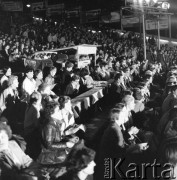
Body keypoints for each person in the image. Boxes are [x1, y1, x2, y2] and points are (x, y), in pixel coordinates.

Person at [24, 92, 42, 160]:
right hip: (30, 131)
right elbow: (36, 124)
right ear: (37, 100)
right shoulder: (35, 109)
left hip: (26, 129)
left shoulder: (29, 106)